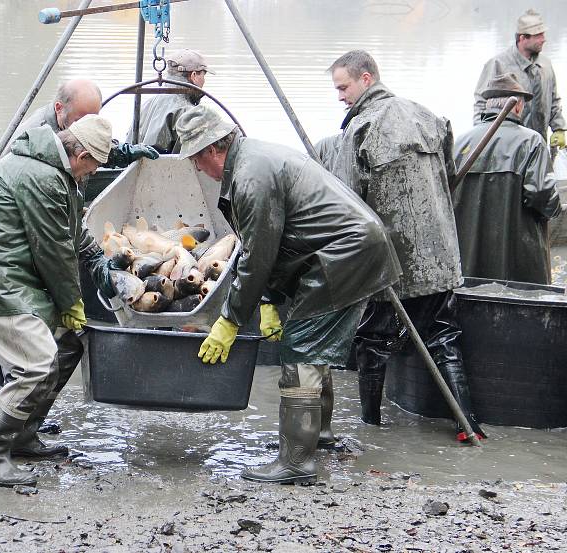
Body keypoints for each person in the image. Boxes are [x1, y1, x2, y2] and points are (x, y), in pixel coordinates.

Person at [175, 105, 401, 485]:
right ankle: (319, 437)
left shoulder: (250, 176)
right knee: (314, 343)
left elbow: (257, 256)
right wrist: (267, 303)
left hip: (344, 254)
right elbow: (276, 246)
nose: (198, 169)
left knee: (303, 347)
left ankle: (297, 460)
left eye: (197, 159)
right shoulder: (255, 158)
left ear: (213, 149)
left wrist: (229, 320)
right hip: (350, 249)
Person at [329, 49, 486, 442]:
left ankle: (370, 426)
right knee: (443, 335)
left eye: (343, 87)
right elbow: (448, 177)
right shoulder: (429, 116)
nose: (340, 96)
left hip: (393, 262)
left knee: (370, 341)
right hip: (442, 255)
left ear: (366, 79)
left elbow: (345, 200)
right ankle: (469, 425)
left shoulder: (359, 128)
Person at [0, 114, 119, 487]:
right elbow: (54, 250)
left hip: (23, 280)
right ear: (79, 154)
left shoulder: (58, 173)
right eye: (93, 166)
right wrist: (72, 303)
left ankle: (23, 434)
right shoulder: (41, 176)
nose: (92, 174)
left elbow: (73, 232)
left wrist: (98, 260)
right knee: (35, 365)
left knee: (67, 346)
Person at [455, 73, 562, 284]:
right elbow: (543, 197)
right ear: (518, 106)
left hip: (468, 260)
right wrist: (557, 206)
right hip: (519, 265)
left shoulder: (461, 142)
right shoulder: (531, 141)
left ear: (488, 106)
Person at [4, 78, 159, 166]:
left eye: (92, 120)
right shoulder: (38, 137)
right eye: (80, 121)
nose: (87, 127)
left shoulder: (70, 123)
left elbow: (92, 144)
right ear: (59, 108)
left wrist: (126, 153)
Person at [473, 9, 566, 147]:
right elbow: (481, 103)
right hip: (507, 146)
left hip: (539, 144)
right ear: (523, 38)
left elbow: (553, 100)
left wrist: (559, 128)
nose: (544, 39)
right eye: (538, 35)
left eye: (543, 34)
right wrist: (482, 138)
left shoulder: (545, 65)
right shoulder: (498, 64)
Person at [126, 48, 213, 153]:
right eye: (203, 75)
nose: (204, 81)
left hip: (133, 165)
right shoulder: (188, 112)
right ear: (194, 75)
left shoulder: (148, 103)